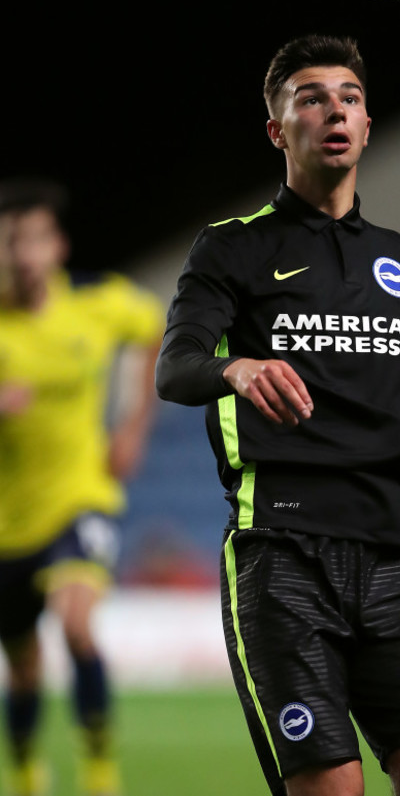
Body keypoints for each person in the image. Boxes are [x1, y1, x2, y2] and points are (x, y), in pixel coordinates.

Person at [155, 34, 400, 796]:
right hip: (283, 559)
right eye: (310, 98)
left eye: (349, 97)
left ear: (369, 126)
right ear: (278, 129)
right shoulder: (231, 250)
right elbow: (174, 369)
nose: (334, 110)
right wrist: (236, 367)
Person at [0, 178, 165, 796]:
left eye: (35, 239)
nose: (24, 253)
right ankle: (23, 771)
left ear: (58, 245)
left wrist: (131, 427)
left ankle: (99, 766)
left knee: (76, 624)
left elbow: (152, 330)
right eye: (12, 241)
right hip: (9, 520)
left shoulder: (98, 303)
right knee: (21, 668)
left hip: (81, 497)